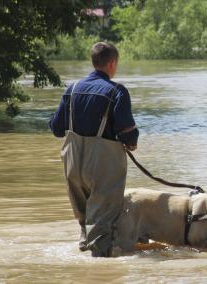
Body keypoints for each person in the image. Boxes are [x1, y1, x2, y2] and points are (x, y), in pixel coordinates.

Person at [49, 42, 139, 257]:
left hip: (72, 163)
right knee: (102, 224)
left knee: (84, 220)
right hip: (101, 164)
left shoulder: (71, 89)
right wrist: (131, 142)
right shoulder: (116, 91)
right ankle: (101, 270)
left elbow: (56, 128)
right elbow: (127, 132)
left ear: (93, 61)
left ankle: (84, 258)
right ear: (112, 63)